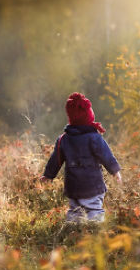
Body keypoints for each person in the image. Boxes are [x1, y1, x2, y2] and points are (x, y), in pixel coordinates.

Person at [41, 92, 122, 223]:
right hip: (92, 185)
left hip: (73, 186)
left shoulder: (64, 139)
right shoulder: (94, 138)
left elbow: (55, 160)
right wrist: (115, 171)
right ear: (89, 116)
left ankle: (74, 233)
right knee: (94, 211)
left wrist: (48, 175)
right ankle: (94, 234)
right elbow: (106, 155)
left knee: (75, 211)